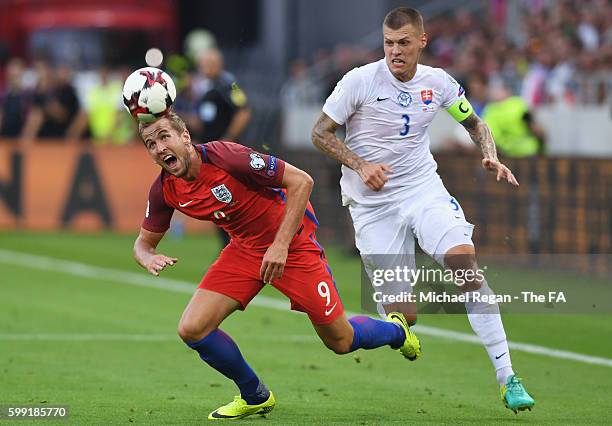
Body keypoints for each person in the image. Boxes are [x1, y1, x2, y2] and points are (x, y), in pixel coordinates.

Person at [311, 7, 535, 413]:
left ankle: (508, 378)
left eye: (403, 43)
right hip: (373, 205)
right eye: (388, 43)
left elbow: (477, 124)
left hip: (422, 190)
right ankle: (397, 327)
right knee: (404, 316)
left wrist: (489, 155)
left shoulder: (439, 83)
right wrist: (361, 165)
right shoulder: (359, 81)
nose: (395, 52)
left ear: (422, 42)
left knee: (465, 267)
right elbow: (320, 133)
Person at [133, 111, 420, 420]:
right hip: (244, 250)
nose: (160, 148)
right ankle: (255, 395)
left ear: (185, 137)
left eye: (165, 137)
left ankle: (397, 331)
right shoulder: (165, 189)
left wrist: (280, 245)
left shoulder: (227, 156)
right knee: (192, 329)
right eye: (151, 143)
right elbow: (142, 243)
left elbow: (301, 182)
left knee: (340, 340)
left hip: (293, 246)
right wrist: (148, 256)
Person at [188, 47, 252, 247]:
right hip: (209, 155)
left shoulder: (228, 85)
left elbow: (244, 111)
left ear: (218, 64)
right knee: (216, 201)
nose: (203, 67)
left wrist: (229, 140)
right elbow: (204, 121)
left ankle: (236, 246)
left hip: (223, 156)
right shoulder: (207, 88)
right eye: (202, 64)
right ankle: (228, 247)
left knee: (226, 199)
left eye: (207, 64)